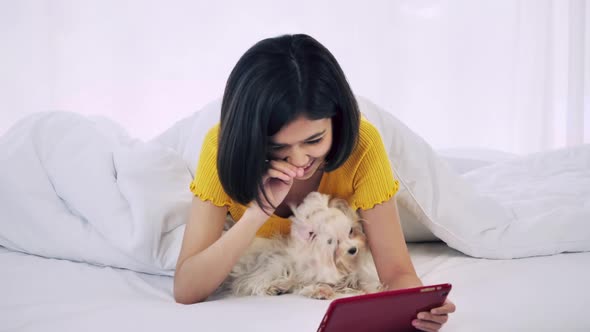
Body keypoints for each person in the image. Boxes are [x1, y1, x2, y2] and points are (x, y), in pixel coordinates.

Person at [174, 34, 455, 331]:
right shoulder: (221, 148)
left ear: (336, 121)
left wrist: (417, 306)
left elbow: (397, 271)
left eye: (314, 140)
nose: (298, 160)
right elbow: (186, 288)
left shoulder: (363, 144)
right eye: (277, 147)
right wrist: (258, 212)